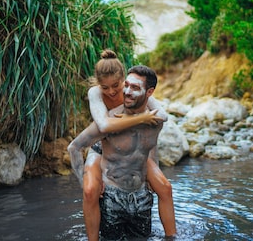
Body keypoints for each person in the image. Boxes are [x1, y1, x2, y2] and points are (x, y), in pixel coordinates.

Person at [71, 50, 176, 240]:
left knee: (165, 187)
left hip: (130, 148)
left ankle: (172, 237)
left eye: (116, 86)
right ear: (98, 84)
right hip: (102, 146)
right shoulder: (95, 93)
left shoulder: (131, 90)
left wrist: (152, 169)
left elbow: (161, 117)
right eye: (105, 87)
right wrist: (141, 118)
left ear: (123, 80)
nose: (112, 91)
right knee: (89, 191)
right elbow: (103, 125)